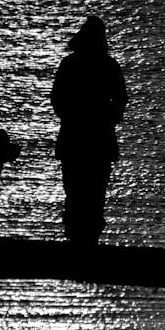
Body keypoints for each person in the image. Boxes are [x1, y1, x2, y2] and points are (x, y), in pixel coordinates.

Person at [51, 16, 127, 244]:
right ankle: (88, 241)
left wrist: (70, 116)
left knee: (75, 192)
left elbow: (57, 98)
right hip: (98, 138)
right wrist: (110, 117)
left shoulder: (70, 64)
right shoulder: (109, 65)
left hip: (75, 137)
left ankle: (76, 239)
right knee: (94, 193)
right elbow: (121, 98)